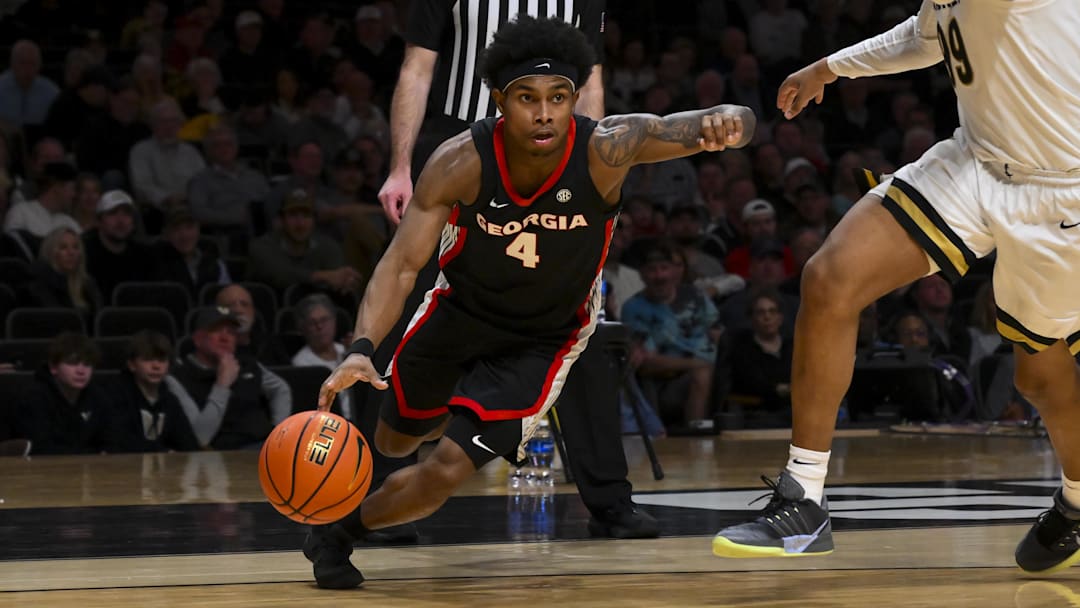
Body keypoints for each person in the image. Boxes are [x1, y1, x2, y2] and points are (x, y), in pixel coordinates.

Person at [301, 15, 754, 589]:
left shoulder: (606, 149)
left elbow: (706, 123)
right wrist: (362, 347)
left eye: (559, 97)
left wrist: (728, 121)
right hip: (459, 311)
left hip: (545, 337)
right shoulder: (459, 160)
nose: (544, 113)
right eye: (527, 98)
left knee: (443, 472)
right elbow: (402, 264)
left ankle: (338, 533)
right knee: (395, 440)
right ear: (498, 101)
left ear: (573, 101)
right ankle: (373, 473)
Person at [711, 1, 1080, 575]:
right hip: (977, 161)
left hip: (1063, 190)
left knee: (1039, 375)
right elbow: (928, 32)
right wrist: (831, 67)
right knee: (830, 279)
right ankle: (803, 497)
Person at [366, 0, 656, 546]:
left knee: (577, 319)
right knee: (409, 310)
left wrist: (594, 157)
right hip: (461, 150)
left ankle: (609, 499)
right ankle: (374, 488)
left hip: (561, 154)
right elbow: (418, 65)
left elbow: (589, 75)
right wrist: (400, 165)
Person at [167, 306, 292, 449]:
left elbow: (281, 389)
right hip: (223, 456)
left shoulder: (247, 364)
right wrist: (222, 385)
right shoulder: (178, 377)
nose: (225, 338)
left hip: (265, 446)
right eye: (216, 330)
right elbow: (199, 437)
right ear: (198, 339)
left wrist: (279, 432)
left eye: (231, 332)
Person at [12, 332, 112, 455]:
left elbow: (111, 441)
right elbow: (41, 448)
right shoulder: (33, 398)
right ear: (54, 367)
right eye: (72, 363)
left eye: (87, 364)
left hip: (91, 469)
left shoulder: (98, 396)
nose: (81, 371)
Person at [107, 330, 200, 453]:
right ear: (132, 365)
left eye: (162, 360)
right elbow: (120, 443)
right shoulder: (115, 395)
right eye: (148, 359)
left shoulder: (170, 400)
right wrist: (165, 452)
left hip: (165, 470)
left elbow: (188, 444)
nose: (156, 366)